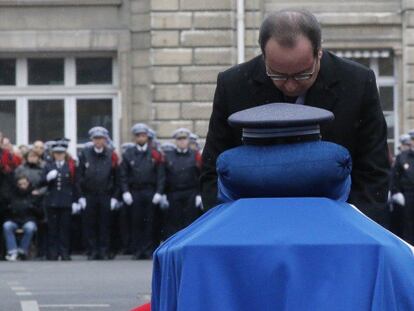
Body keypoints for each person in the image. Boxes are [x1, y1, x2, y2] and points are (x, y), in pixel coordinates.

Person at [201, 9, 390, 227]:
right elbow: (212, 170)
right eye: (277, 74)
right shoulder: (233, 85)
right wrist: (224, 228)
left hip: (336, 224)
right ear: (264, 56)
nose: (290, 85)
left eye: (302, 74)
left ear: (319, 52)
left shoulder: (357, 83)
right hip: (254, 223)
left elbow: (373, 170)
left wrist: (357, 231)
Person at [120, 123, 165, 259]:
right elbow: (123, 175)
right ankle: (137, 250)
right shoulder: (128, 153)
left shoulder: (155, 153)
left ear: (147, 137)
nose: (141, 138)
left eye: (143, 135)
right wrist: (125, 191)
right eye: (138, 135)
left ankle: (148, 249)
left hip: (150, 191)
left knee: (150, 222)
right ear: (135, 138)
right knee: (136, 222)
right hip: (135, 192)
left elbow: (161, 175)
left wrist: (159, 192)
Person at [77, 127, 120, 260]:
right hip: (89, 194)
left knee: (105, 224)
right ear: (92, 140)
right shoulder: (85, 154)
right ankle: (92, 250)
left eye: (101, 139)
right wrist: (80, 196)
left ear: (105, 140)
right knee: (90, 224)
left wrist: (115, 197)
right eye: (96, 139)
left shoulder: (111, 154)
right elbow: (79, 176)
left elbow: (116, 177)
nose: (98, 141)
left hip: (105, 194)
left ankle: (104, 250)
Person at [41, 139, 79, 261]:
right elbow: (41, 182)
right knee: (52, 228)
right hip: (52, 201)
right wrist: (47, 178)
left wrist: (75, 200)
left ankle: (64, 252)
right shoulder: (48, 166)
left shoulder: (70, 167)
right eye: (56, 153)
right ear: (53, 154)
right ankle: (52, 253)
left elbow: (75, 184)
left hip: (66, 201)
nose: (59, 155)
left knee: (65, 229)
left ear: (65, 154)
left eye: (61, 153)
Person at [163, 128, 203, 239]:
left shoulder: (195, 155)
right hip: (173, 193)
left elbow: (200, 174)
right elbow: (164, 175)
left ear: (188, 140)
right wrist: (163, 193)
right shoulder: (169, 155)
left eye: (184, 139)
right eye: (179, 139)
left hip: (191, 192)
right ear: (175, 141)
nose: (182, 141)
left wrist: (199, 194)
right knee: (174, 221)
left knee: (190, 221)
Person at [3, 176, 40, 261]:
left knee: (30, 227)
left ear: (28, 184)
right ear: (17, 185)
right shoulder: (12, 194)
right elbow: (6, 209)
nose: (22, 186)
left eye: (24, 184)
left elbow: (40, 212)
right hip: (15, 220)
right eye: (20, 184)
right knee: (7, 225)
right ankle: (13, 251)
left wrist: (32, 207)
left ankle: (22, 250)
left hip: (28, 219)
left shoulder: (33, 194)